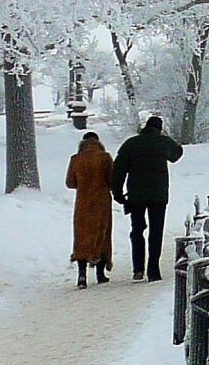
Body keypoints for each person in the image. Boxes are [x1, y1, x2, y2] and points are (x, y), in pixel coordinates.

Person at [110, 113, 183, 281]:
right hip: (158, 195)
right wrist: (164, 138)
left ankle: (138, 269)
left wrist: (118, 193)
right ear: (159, 128)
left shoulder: (131, 143)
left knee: (137, 230)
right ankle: (153, 269)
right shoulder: (162, 142)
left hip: (136, 195)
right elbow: (177, 153)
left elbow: (118, 170)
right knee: (156, 231)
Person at [65, 130, 114, 288]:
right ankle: (100, 274)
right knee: (102, 234)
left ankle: (81, 276)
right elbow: (112, 180)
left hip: (83, 203)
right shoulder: (105, 158)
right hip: (102, 201)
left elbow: (70, 183)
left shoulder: (75, 159)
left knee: (82, 236)